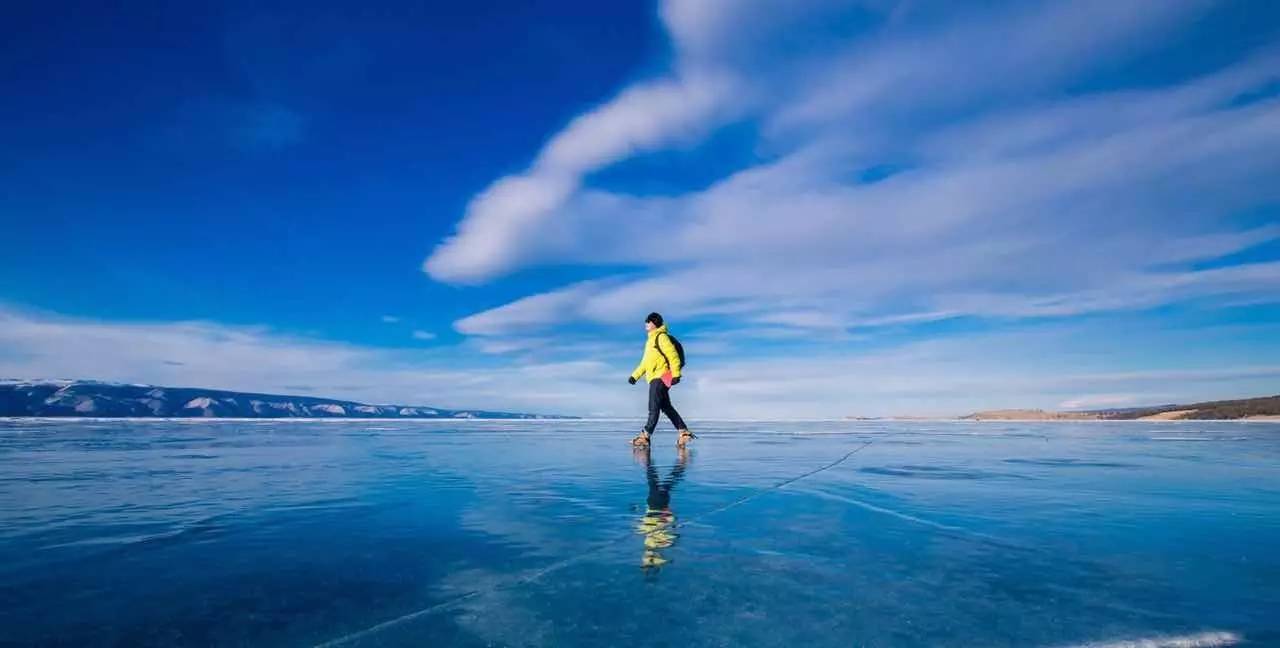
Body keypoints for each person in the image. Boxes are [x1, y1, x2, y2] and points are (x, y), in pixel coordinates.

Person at [628, 312, 694, 448]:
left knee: (653, 407)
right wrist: (635, 375)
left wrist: (676, 374)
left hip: (661, 376)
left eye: (648, 321)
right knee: (665, 406)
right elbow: (645, 363)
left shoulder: (661, 337)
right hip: (654, 377)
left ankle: (645, 436)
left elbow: (673, 355)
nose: (646, 324)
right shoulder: (650, 341)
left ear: (654, 323)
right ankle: (684, 432)